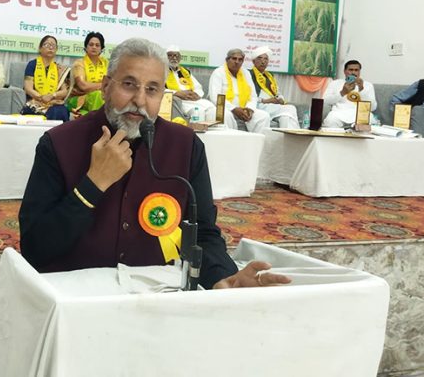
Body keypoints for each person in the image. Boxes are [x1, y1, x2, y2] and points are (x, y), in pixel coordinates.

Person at [19, 38, 291, 290]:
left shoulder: (185, 146)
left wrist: (221, 276)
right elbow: (34, 247)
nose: (139, 100)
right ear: (105, 86)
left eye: (152, 89)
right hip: (77, 295)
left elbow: (203, 232)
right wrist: (92, 185)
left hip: (157, 296)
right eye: (129, 84)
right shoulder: (59, 144)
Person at [208, 48, 270, 133]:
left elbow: (253, 96)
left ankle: (256, 144)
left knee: (263, 116)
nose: (237, 62)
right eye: (234, 58)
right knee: (225, 115)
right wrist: (234, 109)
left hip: (244, 109)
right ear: (227, 60)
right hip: (224, 108)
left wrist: (250, 109)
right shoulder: (218, 73)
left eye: (240, 59)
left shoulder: (246, 73)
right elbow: (215, 98)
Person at [21, 35, 70, 122]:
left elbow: (64, 91)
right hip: (35, 102)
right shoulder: (32, 64)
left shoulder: (59, 69)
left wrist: (52, 96)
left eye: (53, 46)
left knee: (60, 111)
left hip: (53, 102)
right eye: (47, 45)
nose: (50, 47)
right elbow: (28, 88)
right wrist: (41, 97)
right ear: (40, 49)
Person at [249, 46, 298, 129]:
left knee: (286, 116)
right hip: (259, 105)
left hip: (272, 105)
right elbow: (248, 96)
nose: (263, 61)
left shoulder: (270, 75)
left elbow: (277, 92)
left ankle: (287, 138)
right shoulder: (249, 74)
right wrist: (265, 100)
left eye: (266, 59)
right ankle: (295, 137)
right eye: (260, 58)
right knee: (290, 109)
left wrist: (280, 99)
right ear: (254, 61)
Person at [165, 45, 215, 122]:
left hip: (191, 99)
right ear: (165, 58)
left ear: (180, 58)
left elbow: (198, 87)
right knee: (198, 112)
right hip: (178, 101)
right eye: (170, 55)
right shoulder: (162, 71)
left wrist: (196, 94)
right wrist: (176, 93)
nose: (174, 58)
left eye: (176, 55)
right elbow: (159, 89)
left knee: (212, 108)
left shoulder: (185, 72)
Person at [323, 60, 377, 128]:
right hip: (339, 113)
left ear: (359, 72)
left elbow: (373, 108)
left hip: (360, 114)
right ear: (345, 71)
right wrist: (342, 93)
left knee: (370, 120)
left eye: (356, 70)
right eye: (350, 70)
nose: (353, 72)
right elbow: (325, 101)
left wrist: (361, 89)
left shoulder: (368, 85)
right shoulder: (335, 83)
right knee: (330, 120)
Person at [67, 32, 108, 116]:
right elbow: (83, 86)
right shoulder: (79, 63)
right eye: (91, 44)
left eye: (97, 45)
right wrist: (103, 84)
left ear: (101, 49)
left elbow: (113, 84)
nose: (94, 47)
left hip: (102, 97)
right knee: (98, 95)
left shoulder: (106, 63)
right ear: (86, 47)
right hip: (80, 98)